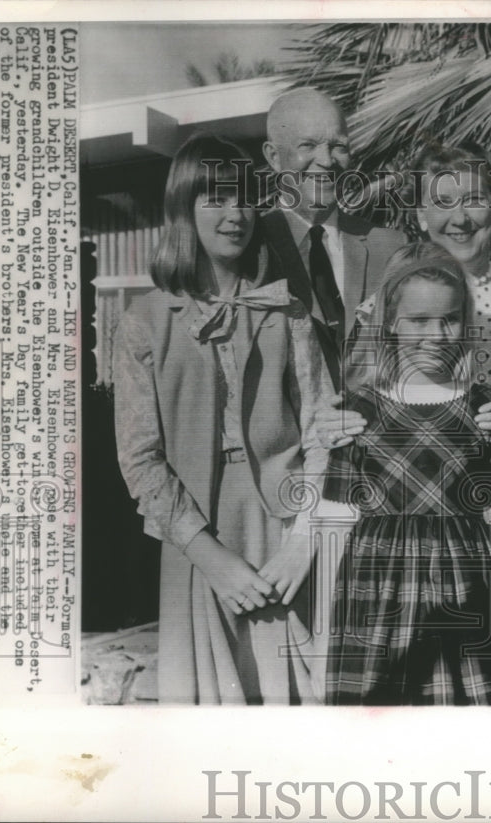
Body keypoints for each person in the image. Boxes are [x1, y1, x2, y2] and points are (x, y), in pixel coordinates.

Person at [113, 133, 332, 704]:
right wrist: (212, 558)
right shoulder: (144, 321)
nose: (236, 215)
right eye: (215, 199)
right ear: (182, 209)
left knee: (304, 701)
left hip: (287, 529)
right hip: (197, 540)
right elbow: (141, 460)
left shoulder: (287, 311)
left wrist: (305, 538)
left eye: (246, 199)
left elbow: (322, 432)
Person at [316, 243, 491, 705]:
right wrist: (321, 641)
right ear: (390, 323)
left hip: (467, 598)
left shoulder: (483, 407)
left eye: (449, 319)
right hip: (375, 603)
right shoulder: (358, 411)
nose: (435, 335)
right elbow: (333, 523)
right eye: (417, 321)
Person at [261, 87, 405, 388]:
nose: (326, 161)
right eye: (308, 145)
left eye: (338, 145)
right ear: (274, 157)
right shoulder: (252, 246)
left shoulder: (391, 247)